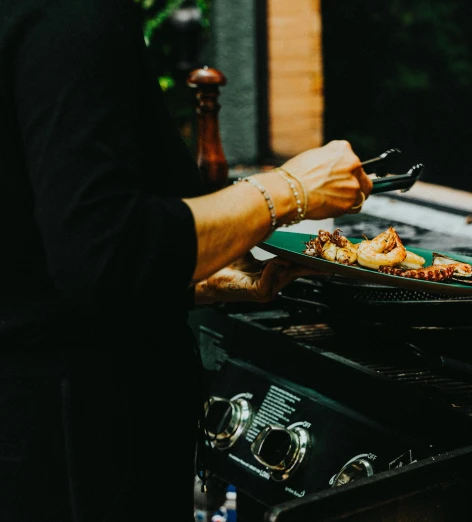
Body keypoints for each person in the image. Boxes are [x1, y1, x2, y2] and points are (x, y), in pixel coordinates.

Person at [0, 0, 372, 520]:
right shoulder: (70, 15)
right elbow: (105, 251)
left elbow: (32, 241)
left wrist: (192, 278)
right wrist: (290, 189)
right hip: (71, 446)